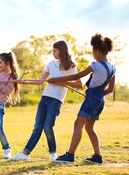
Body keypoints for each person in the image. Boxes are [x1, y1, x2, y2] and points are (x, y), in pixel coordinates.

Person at [48, 34, 115, 164]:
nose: (93, 55)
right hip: (100, 100)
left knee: (78, 124)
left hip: (91, 99)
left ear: (98, 51)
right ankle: (97, 156)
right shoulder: (113, 68)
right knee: (89, 128)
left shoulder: (95, 65)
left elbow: (77, 76)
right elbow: (110, 90)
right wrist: (97, 97)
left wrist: (56, 79)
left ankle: (70, 155)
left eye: (93, 52)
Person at [11, 40, 82, 162]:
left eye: (55, 51)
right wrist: (24, 81)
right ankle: (25, 153)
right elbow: (40, 81)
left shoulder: (71, 66)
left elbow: (79, 84)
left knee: (48, 127)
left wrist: (60, 81)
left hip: (56, 101)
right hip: (45, 98)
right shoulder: (51, 63)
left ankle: (53, 153)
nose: (52, 53)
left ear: (62, 50)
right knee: (37, 127)